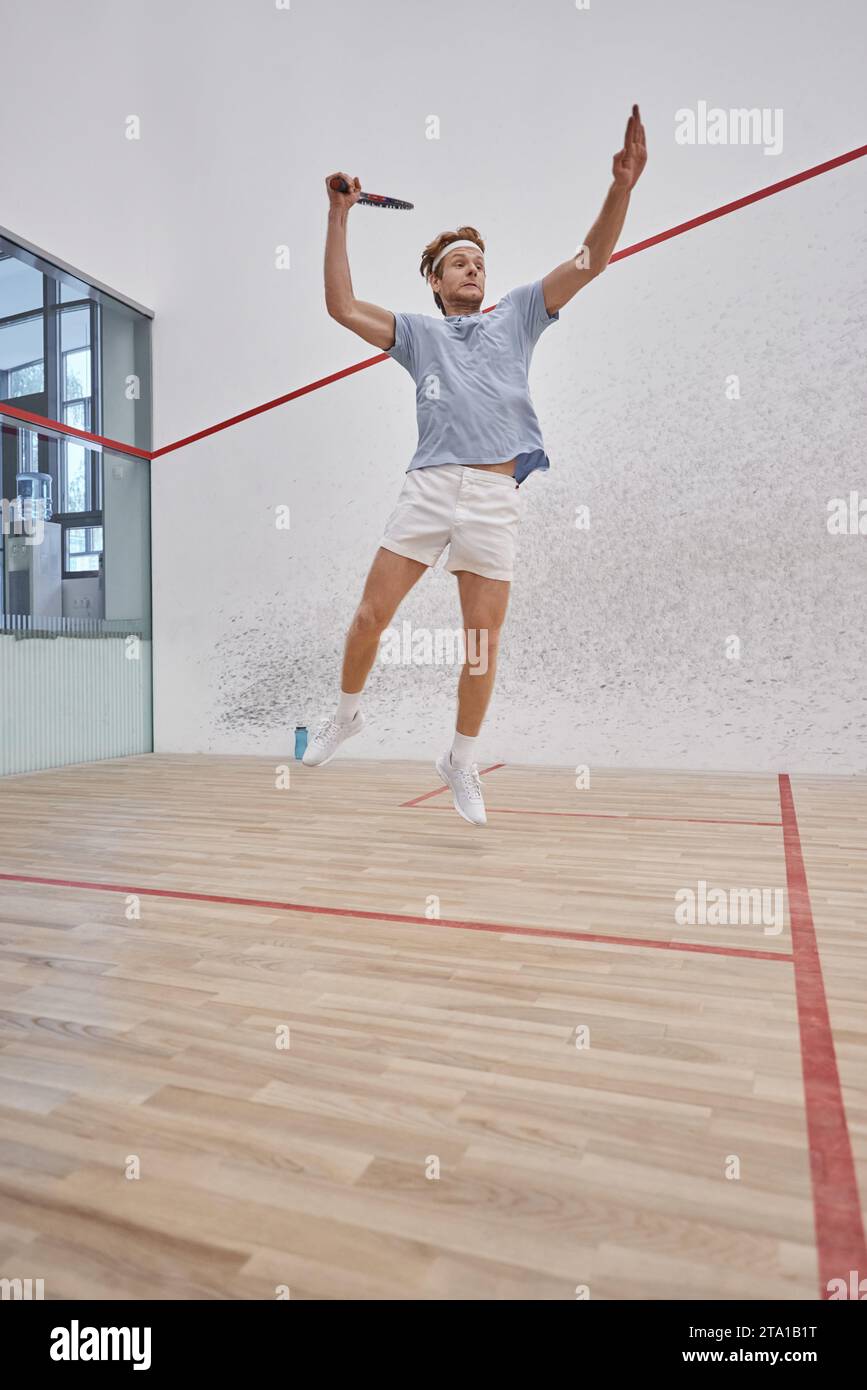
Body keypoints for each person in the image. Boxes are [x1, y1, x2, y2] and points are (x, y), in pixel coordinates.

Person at [304, 106, 647, 824]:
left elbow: (591, 260)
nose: (474, 269)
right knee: (369, 616)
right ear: (434, 280)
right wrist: (340, 216)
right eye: (459, 262)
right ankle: (346, 715)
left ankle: (460, 760)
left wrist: (621, 186)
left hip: (493, 496)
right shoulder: (418, 334)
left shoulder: (517, 314)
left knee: (481, 646)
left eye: (479, 261)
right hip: (428, 488)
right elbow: (339, 305)